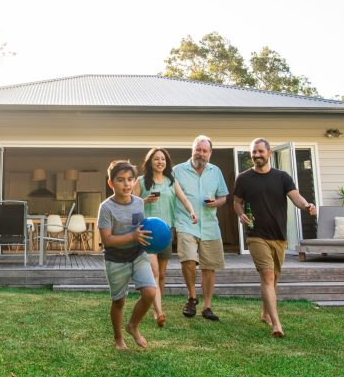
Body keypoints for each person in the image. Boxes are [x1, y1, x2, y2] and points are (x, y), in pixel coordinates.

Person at [232, 137, 316, 338]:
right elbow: (236, 202)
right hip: (256, 235)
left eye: (260, 151)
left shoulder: (282, 177)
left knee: (274, 278)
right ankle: (276, 324)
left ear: (269, 153)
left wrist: (306, 206)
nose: (257, 155)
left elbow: (296, 197)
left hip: (279, 236)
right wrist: (240, 213)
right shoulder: (243, 178)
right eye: (254, 152)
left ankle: (264, 312)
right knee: (267, 276)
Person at [134, 147, 197, 328]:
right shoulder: (141, 181)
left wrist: (192, 212)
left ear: (166, 163)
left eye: (163, 159)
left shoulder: (171, 181)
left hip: (166, 232)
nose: (160, 162)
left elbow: (184, 199)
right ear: (150, 162)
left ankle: (155, 306)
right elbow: (131, 202)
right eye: (156, 159)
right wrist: (145, 201)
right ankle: (158, 311)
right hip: (148, 232)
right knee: (153, 272)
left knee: (161, 274)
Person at [98, 159, 156, 350]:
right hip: (115, 259)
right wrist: (132, 235)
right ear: (111, 183)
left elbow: (141, 228)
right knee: (119, 301)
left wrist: (154, 237)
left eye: (130, 179)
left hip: (137, 254)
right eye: (121, 180)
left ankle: (133, 326)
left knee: (149, 292)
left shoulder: (139, 203)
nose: (127, 184)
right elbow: (107, 239)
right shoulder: (105, 208)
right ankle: (118, 338)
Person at [172, 135, 228, 321]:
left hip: (210, 226)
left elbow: (223, 197)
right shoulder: (177, 171)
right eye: (198, 149)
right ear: (192, 150)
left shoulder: (216, 171)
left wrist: (216, 203)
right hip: (186, 222)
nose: (201, 153)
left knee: (209, 267)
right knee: (188, 259)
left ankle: (207, 306)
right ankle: (191, 297)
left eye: (205, 151)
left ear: (210, 153)